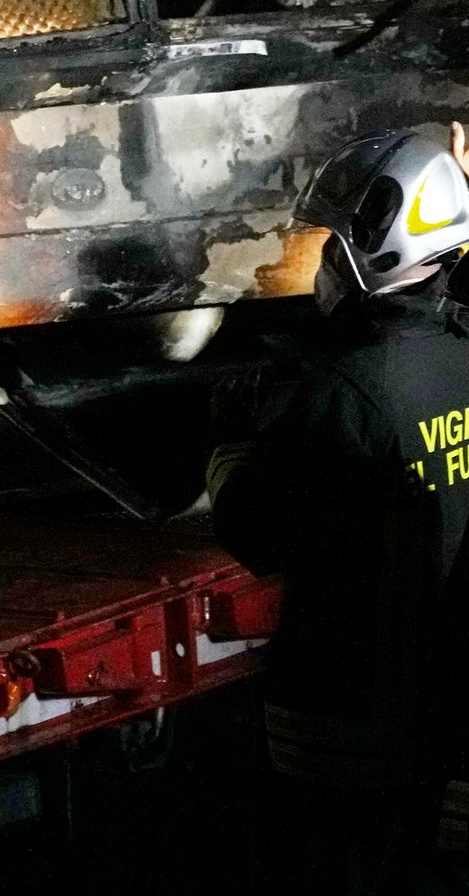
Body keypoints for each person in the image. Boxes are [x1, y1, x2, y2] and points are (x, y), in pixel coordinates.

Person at [206, 129, 469, 894]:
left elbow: (256, 532)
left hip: (340, 732)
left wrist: (229, 443)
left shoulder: (341, 396)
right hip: (439, 718)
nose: (323, 257)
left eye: (332, 236)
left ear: (375, 238)